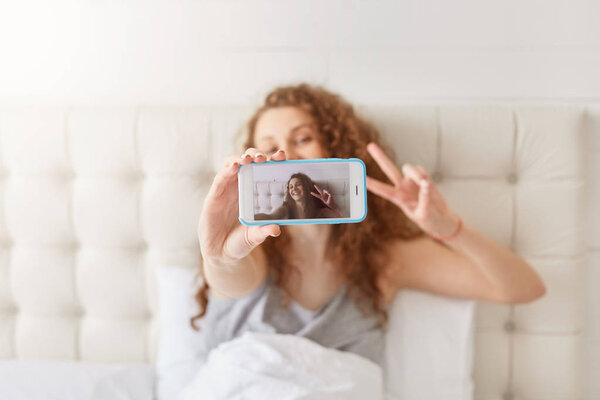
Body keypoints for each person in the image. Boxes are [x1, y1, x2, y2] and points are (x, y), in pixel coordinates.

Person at [193, 83, 546, 366]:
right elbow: (228, 275)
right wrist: (219, 257)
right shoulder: (252, 250)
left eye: (302, 139)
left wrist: (447, 227)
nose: (286, 155)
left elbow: (522, 288)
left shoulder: (383, 260)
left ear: (336, 147)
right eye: (269, 147)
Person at [254, 172, 343, 220]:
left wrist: (333, 207)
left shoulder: (320, 211)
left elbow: (341, 221)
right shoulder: (285, 209)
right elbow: (270, 217)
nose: (294, 189)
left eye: (298, 184)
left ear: (306, 187)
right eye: (291, 187)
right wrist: (250, 220)